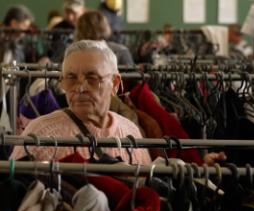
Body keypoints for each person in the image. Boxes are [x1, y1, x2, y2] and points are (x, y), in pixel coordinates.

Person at [10, 40, 150, 164]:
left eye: (92, 78)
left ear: (114, 84)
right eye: (71, 78)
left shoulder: (131, 132)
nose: (80, 88)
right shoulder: (39, 135)